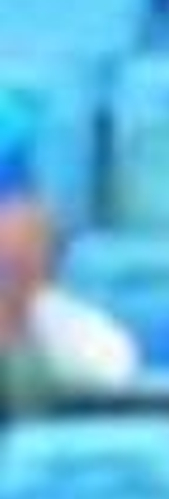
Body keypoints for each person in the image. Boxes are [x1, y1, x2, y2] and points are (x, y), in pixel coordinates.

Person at [0, 153, 138, 409]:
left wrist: (18, 341)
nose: (13, 273)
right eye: (6, 262)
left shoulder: (80, 332)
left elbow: (113, 368)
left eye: (27, 254)